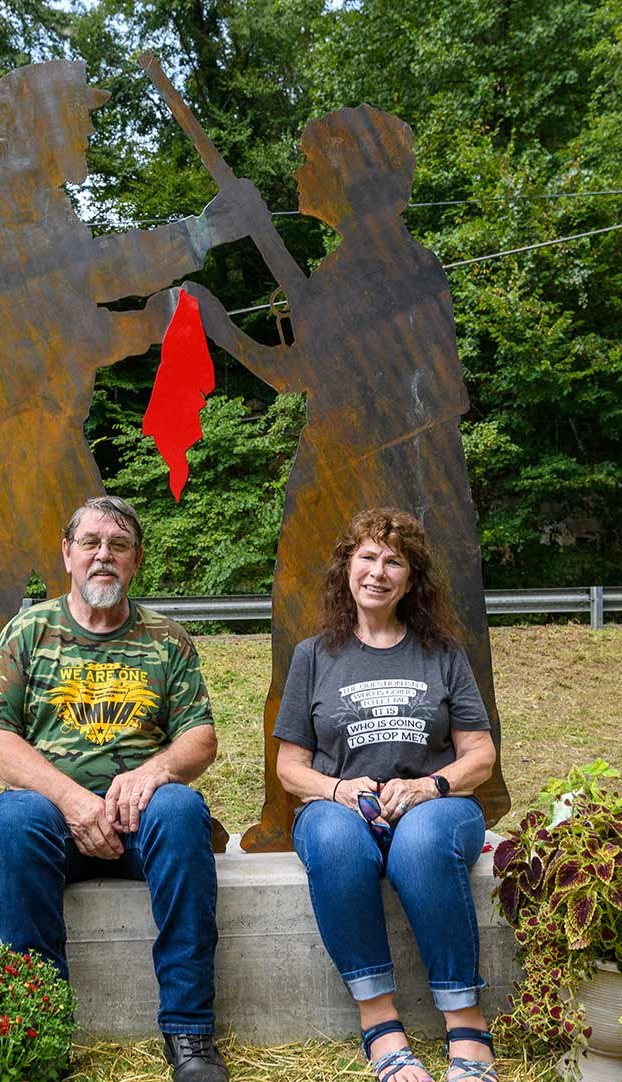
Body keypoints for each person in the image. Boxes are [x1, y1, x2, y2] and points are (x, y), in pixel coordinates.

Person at [0, 59, 251, 863]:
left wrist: (196, 238)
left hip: (46, 440)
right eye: (80, 118)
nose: (89, 133)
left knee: (105, 603)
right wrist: (163, 303)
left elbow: (91, 276)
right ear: (41, 125)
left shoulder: (44, 211)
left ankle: (124, 790)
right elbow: (75, 326)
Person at [182, 104, 506, 852]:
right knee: (301, 641)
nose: (298, 171)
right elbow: (308, 370)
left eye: (308, 158)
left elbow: (399, 385)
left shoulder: (392, 265)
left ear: (347, 174)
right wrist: (223, 326)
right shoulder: (357, 264)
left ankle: (401, 796)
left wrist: (229, 325)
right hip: (344, 473)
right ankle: (290, 807)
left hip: (370, 481)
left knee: (314, 632)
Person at [0, 495, 229, 1082]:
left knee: (183, 810)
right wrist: (71, 801)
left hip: (143, 823)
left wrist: (156, 772)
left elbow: (201, 736)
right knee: (14, 814)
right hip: (55, 824)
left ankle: (190, 1034)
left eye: (118, 545)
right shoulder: (29, 632)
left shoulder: (166, 638)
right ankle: (41, 1037)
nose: (103, 556)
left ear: (136, 560)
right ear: (67, 555)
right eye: (90, 543)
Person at [274, 508, 500, 1082]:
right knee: (333, 841)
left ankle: (464, 1022)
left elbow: (479, 755)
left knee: (422, 845)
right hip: (341, 804)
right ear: (347, 568)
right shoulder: (313, 656)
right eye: (367, 557)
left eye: (393, 560)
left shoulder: (442, 653)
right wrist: (338, 790)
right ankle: (380, 1021)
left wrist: (431, 787)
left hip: (434, 806)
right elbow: (289, 768)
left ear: (411, 577)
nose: (378, 571)